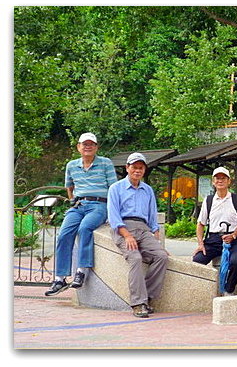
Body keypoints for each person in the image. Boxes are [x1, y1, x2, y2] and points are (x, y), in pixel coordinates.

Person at [45, 133, 117, 296]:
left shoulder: (105, 163)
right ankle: (60, 278)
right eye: (85, 144)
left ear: (96, 147)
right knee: (63, 234)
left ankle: (81, 271)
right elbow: (69, 187)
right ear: (78, 147)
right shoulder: (71, 165)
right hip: (78, 204)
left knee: (85, 228)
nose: (88, 146)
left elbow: (114, 189)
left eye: (91, 144)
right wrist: (72, 201)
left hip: (99, 204)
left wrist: (113, 213)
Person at [107, 152, 168, 318]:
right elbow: (114, 216)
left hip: (143, 229)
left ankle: (147, 297)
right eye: (134, 167)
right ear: (127, 168)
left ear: (144, 170)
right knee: (135, 258)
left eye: (141, 168)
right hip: (123, 228)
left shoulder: (147, 190)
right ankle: (137, 303)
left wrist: (157, 240)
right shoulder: (116, 188)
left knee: (161, 256)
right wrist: (127, 235)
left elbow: (153, 218)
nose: (137, 170)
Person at [193, 166, 237, 296]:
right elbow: (200, 224)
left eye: (223, 178)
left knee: (236, 263)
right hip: (213, 240)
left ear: (229, 181)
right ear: (213, 181)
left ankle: (229, 290)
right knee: (197, 260)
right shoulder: (209, 200)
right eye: (217, 178)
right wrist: (200, 244)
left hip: (233, 240)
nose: (220, 181)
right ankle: (204, 292)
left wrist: (234, 235)